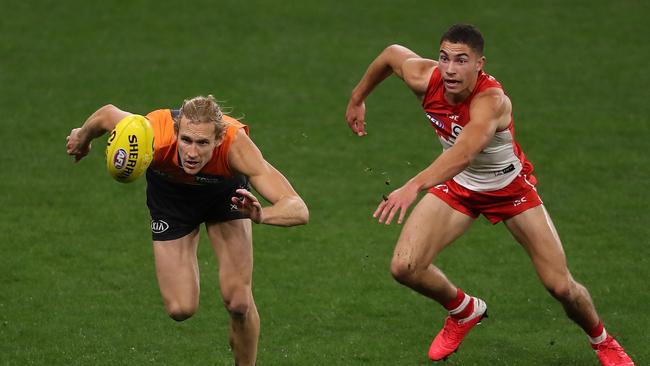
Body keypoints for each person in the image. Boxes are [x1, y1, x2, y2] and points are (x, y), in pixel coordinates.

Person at [345, 24, 634, 365]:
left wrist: (414, 185)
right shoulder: (425, 78)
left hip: (509, 190)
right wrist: (357, 98)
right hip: (459, 186)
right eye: (444, 58)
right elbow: (392, 54)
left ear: (479, 63)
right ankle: (464, 310)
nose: (450, 69)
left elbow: (464, 153)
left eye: (461, 60)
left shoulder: (491, 101)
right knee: (405, 267)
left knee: (560, 286)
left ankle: (602, 341)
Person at [66, 95, 309, 366]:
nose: (192, 153)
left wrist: (262, 215)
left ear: (218, 139)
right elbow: (107, 114)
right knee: (180, 308)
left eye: (203, 143)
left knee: (239, 302)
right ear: (177, 132)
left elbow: (298, 209)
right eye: (186, 140)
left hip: (225, 196)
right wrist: (83, 137)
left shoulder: (235, 145)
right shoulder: (152, 132)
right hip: (171, 201)